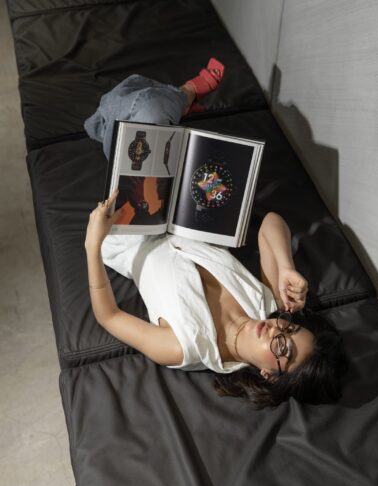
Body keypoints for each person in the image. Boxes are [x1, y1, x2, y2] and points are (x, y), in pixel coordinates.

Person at [84, 58, 348, 409]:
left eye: (282, 346)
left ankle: (179, 95)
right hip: (186, 210)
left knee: (142, 114)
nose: (275, 330)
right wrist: (286, 267)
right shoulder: (268, 305)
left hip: (132, 227)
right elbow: (271, 223)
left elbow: (110, 316)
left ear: (271, 375)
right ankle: (119, 119)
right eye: (289, 328)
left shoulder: (183, 346)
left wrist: (93, 243)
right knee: (151, 129)